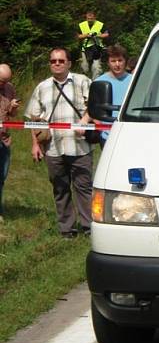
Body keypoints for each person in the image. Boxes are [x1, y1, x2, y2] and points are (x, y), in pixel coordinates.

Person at [25, 48, 93, 238]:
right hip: (53, 148)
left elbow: (94, 106)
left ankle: (89, 229)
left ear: (69, 63)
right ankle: (67, 231)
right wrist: (35, 144)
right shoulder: (42, 87)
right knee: (60, 190)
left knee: (84, 189)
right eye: (53, 61)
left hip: (80, 146)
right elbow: (34, 119)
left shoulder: (83, 81)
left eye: (61, 61)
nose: (56, 64)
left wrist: (85, 121)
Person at [94, 44, 133, 147]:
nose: (117, 64)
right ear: (108, 62)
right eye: (113, 61)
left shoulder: (134, 81)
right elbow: (94, 108)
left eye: (120, 60)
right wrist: (98, 124)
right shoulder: (99, 82)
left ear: (125, 61)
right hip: (107, 136)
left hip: (130, 133)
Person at [0, 64, 21, 222]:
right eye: (1, 81)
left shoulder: (9, 88)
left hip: (4, 138)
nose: (3, 85)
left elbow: (12, 114)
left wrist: (13, 107)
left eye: (6, 81)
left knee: (2, 176)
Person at [77, 10, 109, 79]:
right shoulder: (81, 25)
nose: (90, 20)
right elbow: (77, 36)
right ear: (86, 18)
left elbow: (106, 34)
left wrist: (97, 35)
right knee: (84, 68)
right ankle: (84, 83)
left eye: (91, 19)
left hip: (97, 48)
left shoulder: (100, 24)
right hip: (85, 49)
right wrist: (86, 35)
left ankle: (95, 83)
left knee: (96, 68)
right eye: (88, 18)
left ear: (95, 18)